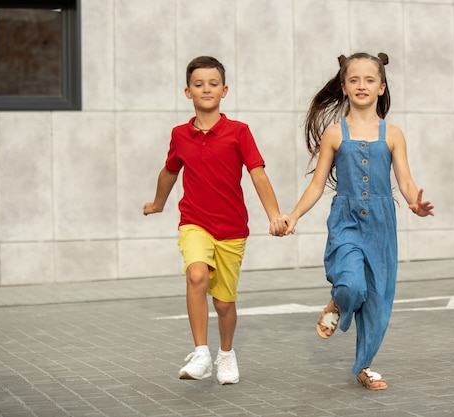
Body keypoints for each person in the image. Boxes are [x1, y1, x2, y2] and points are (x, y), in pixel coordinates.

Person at [274, 52, 434, 390]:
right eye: (354, 79)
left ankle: (365, 366)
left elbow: (405, 180)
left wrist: (414, 203)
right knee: (351, 286)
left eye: (369, 80)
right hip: (346, 221)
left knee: (377, 297)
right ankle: (338, 299)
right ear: (344, 87)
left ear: (382, 87)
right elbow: (317, 185)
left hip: (381, 224)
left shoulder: (393, 134)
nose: (362, 85)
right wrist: (293, 215)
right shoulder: (334, 133)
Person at [143, 56, 285, 385]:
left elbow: (258, 174)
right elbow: (169, 171)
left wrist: (275, 215)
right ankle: (201, 353)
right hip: (194, 221)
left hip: (232, 229)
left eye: (212, 84)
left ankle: (226, 353)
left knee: (223, 304)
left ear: (224, 90)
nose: (205, 88)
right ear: (187, 92)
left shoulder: (239, 132)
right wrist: (158, 203)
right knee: (196, 275)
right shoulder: (180, 135)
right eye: (198, 84)